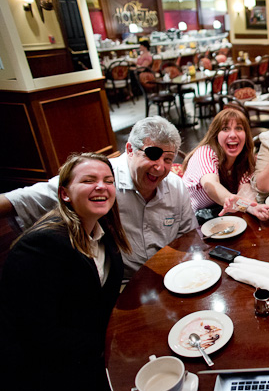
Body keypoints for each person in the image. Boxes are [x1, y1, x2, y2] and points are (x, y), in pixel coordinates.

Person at [0, 116, 197, 279]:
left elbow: (188, 233)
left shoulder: (174, 185)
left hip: (169, 277)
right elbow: (24, 198)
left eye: (168, 159)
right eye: (153, 155)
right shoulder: (100, 181)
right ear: (129, 150)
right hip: (119, 286)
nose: (160, 167)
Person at [0, 153, 131, 390]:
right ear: (64, 194)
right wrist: (107, 344)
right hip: (53, 371)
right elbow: (37, 333)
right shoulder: (41, 246)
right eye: (88, 180)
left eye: (108, 180)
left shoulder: (103, 230)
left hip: (93, 350)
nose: (101, 186)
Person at [182, 108, 269, 221]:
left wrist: (252, 208)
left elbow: (244, 196)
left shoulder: (244, 160)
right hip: (188, 219)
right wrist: (231, 200)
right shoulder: (205, 153)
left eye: (239, 128)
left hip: (217, 216)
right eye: (225, 129)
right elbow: (210, 185)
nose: (233, 135)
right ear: (216, 134)